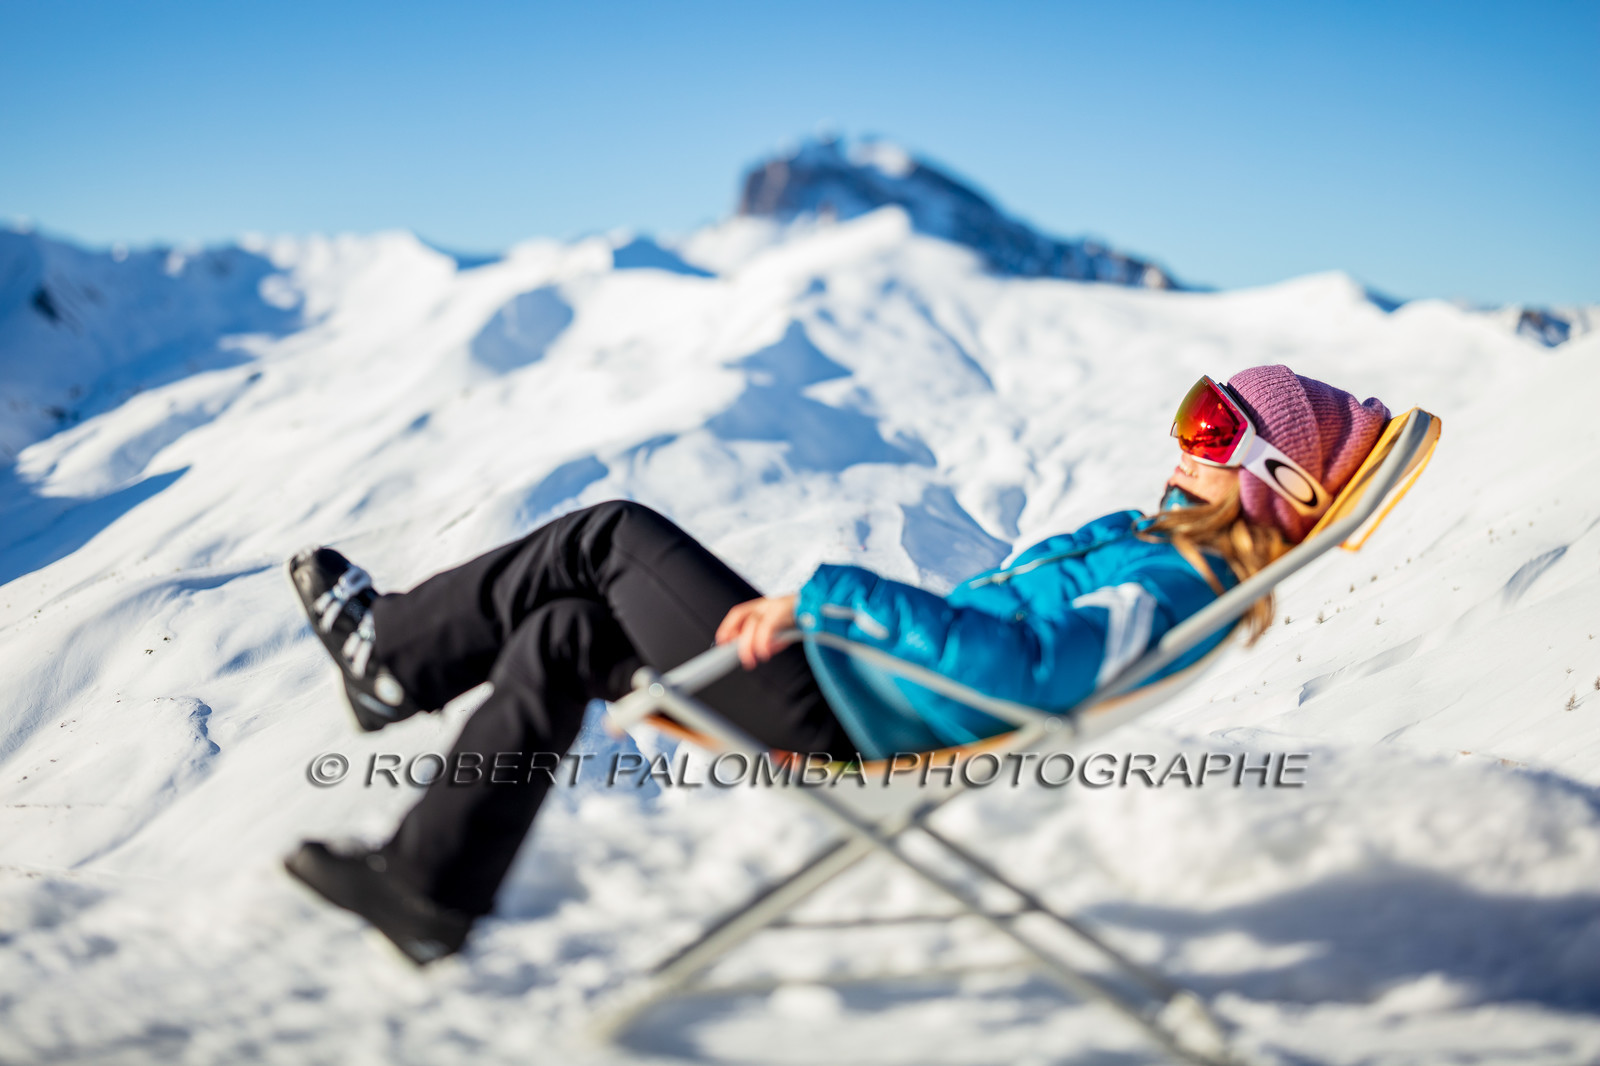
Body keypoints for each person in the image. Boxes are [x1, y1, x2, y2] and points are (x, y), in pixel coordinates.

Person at [283, 364, 1390, 963]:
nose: (1182, 446)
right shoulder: (1160, 557)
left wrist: (828, 599)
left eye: (1212, 433)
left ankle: (391, 659)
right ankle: (427, 888)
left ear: (1270, 480)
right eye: (1194, 415)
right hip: (851, 690)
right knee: (565, 629)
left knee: (608, 533)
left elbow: (1022, 671)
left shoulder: (1169, 588)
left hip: (846, 714)